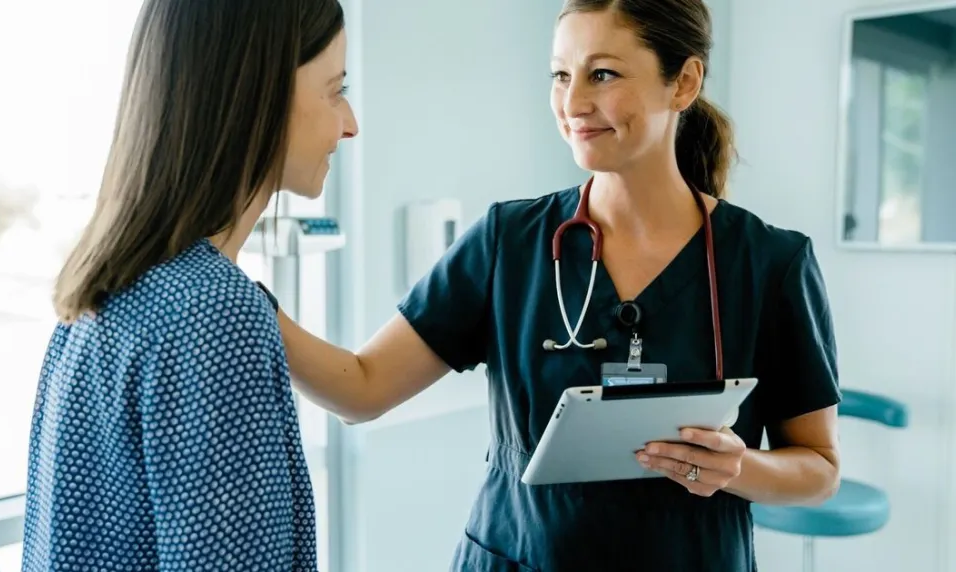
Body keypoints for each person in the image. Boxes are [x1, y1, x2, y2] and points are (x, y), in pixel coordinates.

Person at [277, 0, 841, 570]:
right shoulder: (508, 242)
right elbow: (362, 389)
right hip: (515, 556)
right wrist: (245, 297)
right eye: (560, 75)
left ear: (684, 83)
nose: (572, 104)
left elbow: (818, 470)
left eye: (603, 74)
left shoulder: (770, 262)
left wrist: (739, 467)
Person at [20, 0, 358, 570]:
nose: (349, 123)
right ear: (258, 97)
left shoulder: (101, 293)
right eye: (333, 90)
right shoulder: (216, 315)